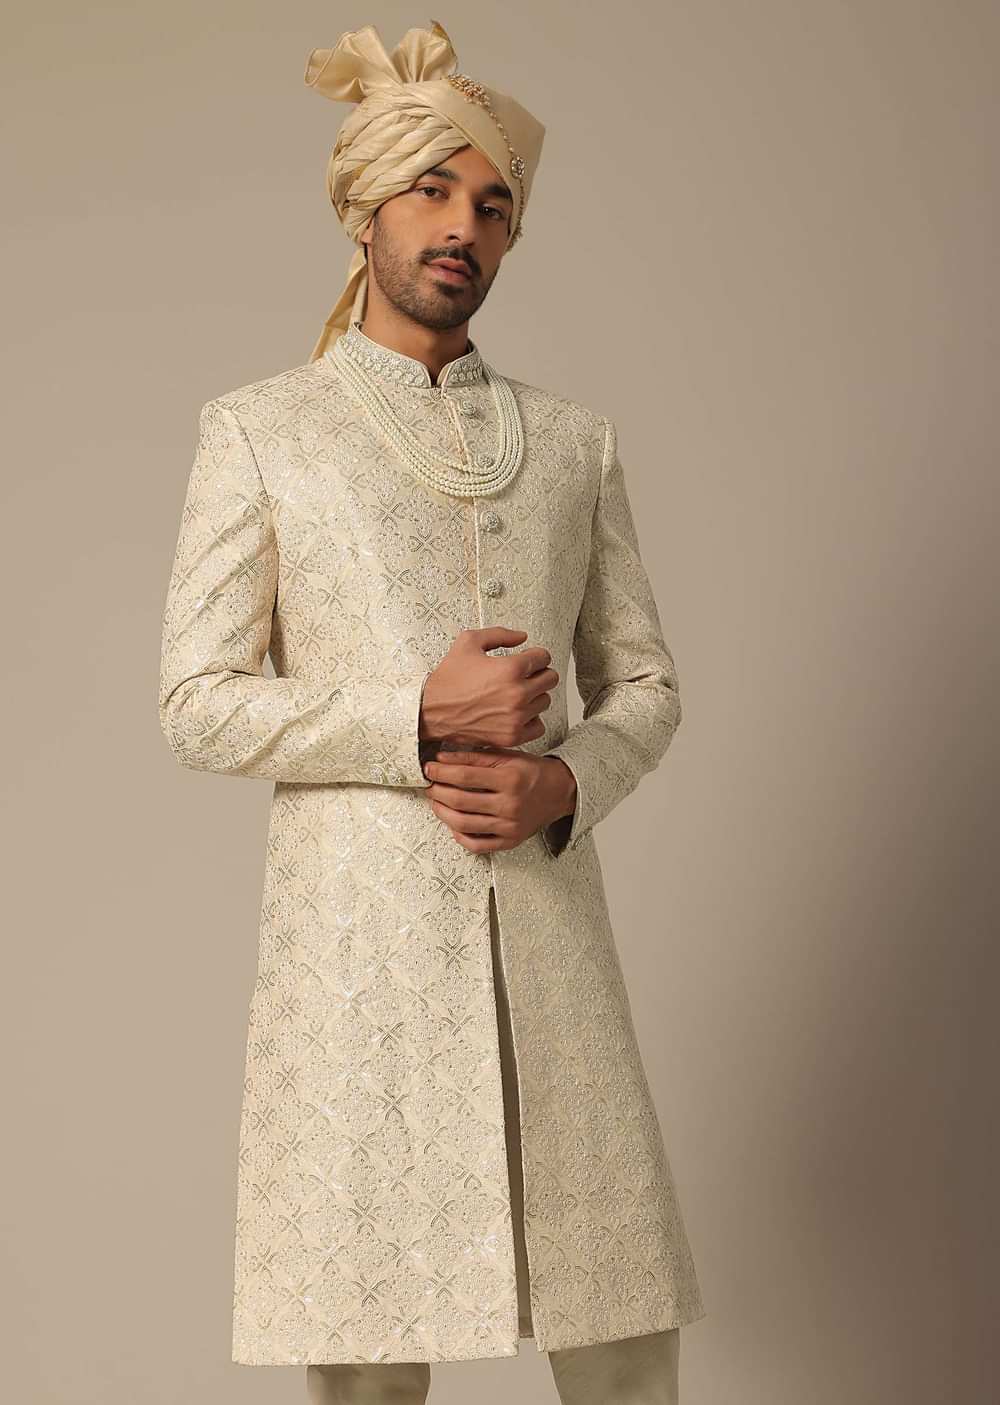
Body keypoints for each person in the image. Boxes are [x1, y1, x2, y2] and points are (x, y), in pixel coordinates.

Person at [157, 19, 706, 1404]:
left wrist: (564, 782)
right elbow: (198, 702)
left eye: (493, 204)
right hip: (359, 966)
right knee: (367, 1367)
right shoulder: (262, 431)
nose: (463, 225)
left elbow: (646, 684)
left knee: (624, 1350)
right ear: (365, 211)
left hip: (552, 946)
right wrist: (415, 714)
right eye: (432, 189)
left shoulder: (574, 443)